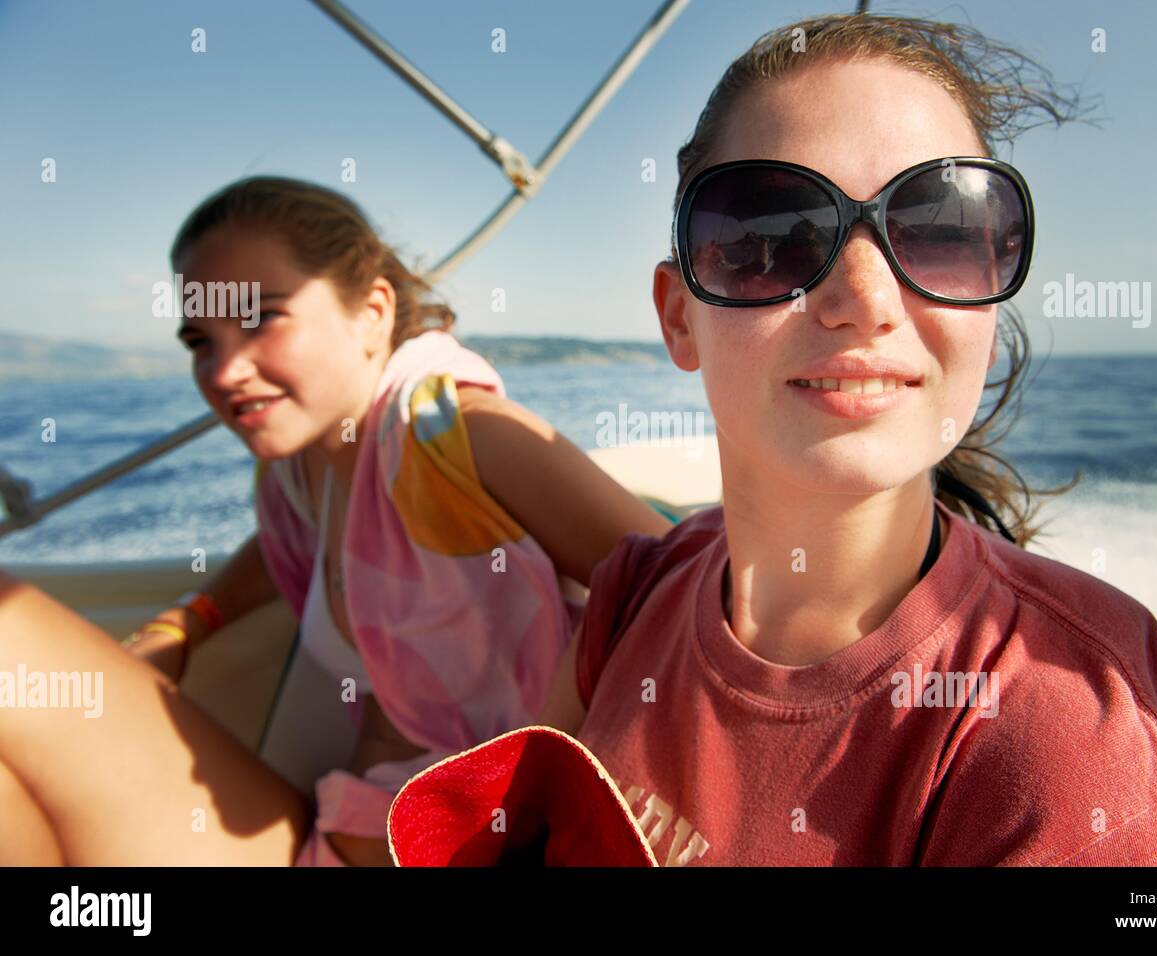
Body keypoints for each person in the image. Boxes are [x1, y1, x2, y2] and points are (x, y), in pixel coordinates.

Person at [538, 13, 1157, 866]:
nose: (864, 299)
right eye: (771, 237)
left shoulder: (1072, 738)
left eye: (940, 231)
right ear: (680, 316)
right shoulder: (636, 594)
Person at [0, 176, 670, 866]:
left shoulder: (455, 438)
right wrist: (187, 620)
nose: (224, 371)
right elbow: (284, 546)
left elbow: (683, 581)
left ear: (373, 311)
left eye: (260, 318)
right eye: (201, 340)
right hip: (340, 836)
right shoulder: (299, 474)